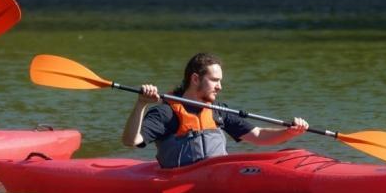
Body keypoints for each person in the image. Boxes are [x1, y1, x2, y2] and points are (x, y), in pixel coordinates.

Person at [121, 52, 309, 168]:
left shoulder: (219, 111)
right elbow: (131, 141)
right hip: (181, 179)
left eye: (220, 81)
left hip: (217, 178)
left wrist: (290, 132)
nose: (219, 86)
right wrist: (141, 104)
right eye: (214, 80)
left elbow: (258, 136)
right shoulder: (166, 113)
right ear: (195, 79)